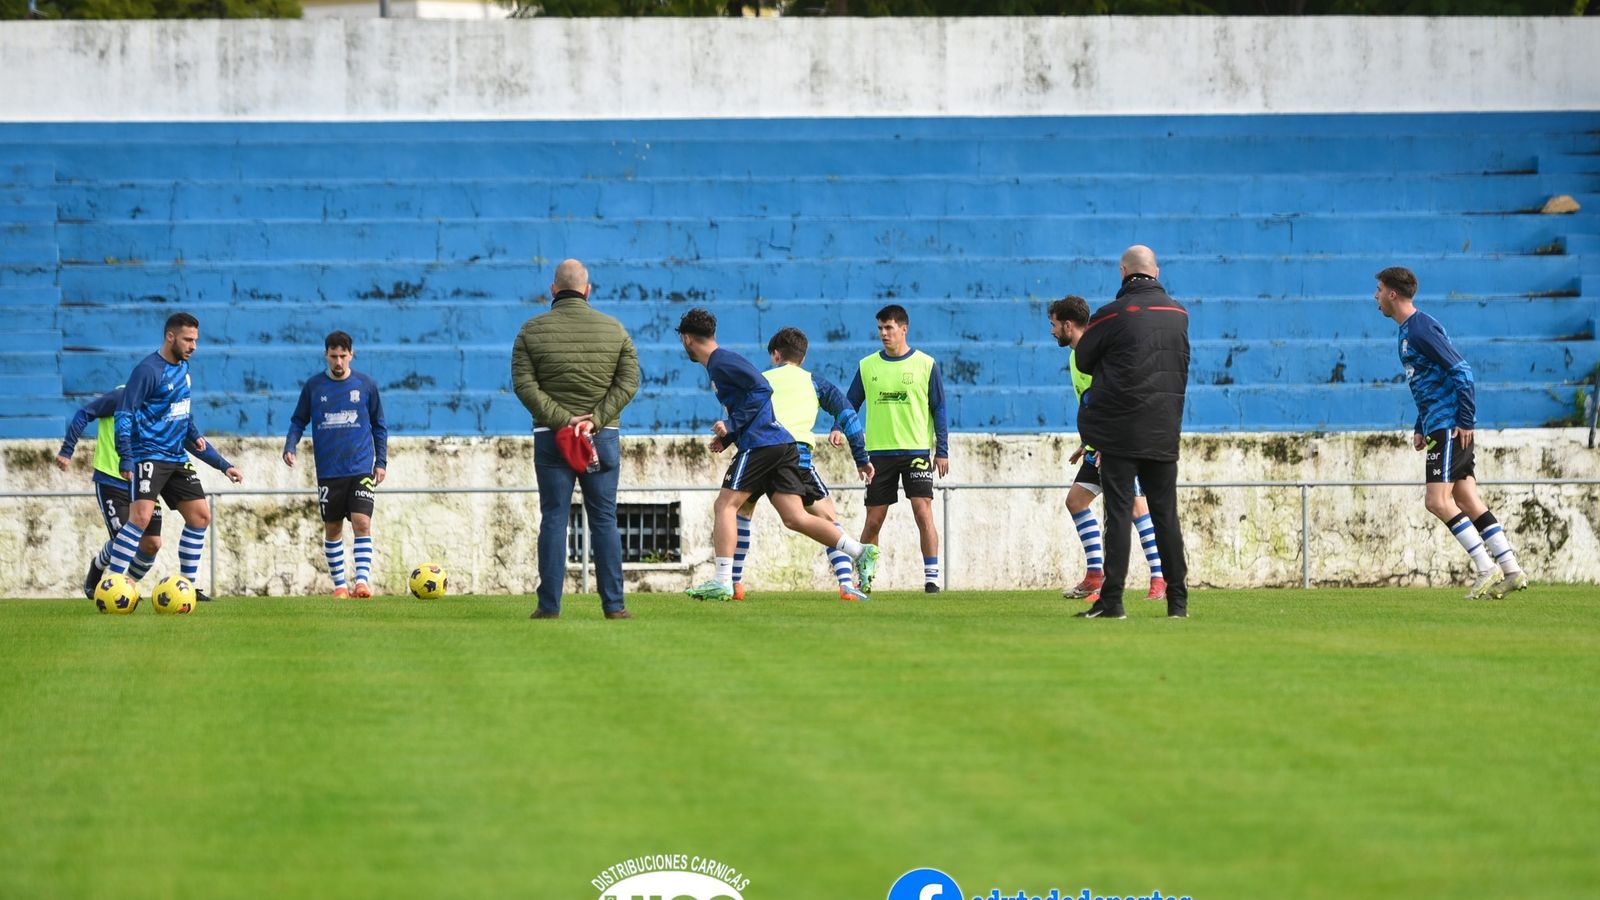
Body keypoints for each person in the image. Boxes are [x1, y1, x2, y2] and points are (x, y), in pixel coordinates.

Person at [676, 308, 879, 602]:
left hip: (763, 444)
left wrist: (732, 425)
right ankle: (861, 552)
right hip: (783, 447)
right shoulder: (726, 365)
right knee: (795, 517)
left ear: (686, 338)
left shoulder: (723, 362)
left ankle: (724, 581)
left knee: (726, 507)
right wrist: (729, 436)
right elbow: (755, 400)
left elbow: (761, 390)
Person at [1375, 266, 1528, 599]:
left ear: (1392, 294)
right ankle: (1512, 571)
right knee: (1466, 498)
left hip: (1448, 427)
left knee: (1436, 501)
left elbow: (1461, 370)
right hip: (1437, 424)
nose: (1375, 296)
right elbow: (1428, 382)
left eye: (1378, 290)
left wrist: (1466, 419)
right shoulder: (1406, 331)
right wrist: (1420, 425)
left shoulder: (1420, 328)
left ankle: (1486, 568)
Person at [512, 259, 641, 620]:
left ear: (553, 289)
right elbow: (629, 382)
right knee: (604, 518)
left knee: (554, 517)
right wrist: (595, 420)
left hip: (552, 438)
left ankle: (548, 606)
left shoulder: (530, 331)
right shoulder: (615, 330)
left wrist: (562, 420)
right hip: (601, 437)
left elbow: (525, 386)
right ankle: (614, 606)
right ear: (588, 290)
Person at [1072, 246, 1191, 619]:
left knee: (1119, 514)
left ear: (1123, 272)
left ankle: (1113, 602)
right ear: (1155, 271)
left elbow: (1083, 359)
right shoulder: (1179, 314)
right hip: (1163, 430)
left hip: (1120, 432)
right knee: (1165, 516)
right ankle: (1178, 604)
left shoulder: (1110, 315)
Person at [728, 326, 875, 602]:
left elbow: (738, 415)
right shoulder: (814, 382)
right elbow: (849, 416)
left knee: (739, 512)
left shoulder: (760, 381)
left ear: (775, 354)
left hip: (759, 452)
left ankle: (735, 583)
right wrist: (861, 458)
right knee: (828, 518)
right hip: (797, 458)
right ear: (803, 358)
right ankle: (846, 584)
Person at [60, 385, 242, 599]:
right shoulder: (122, 396)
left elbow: (190, 440)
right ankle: (101, 570)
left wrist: (223, 465)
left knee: (151, 544)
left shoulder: (167, 407)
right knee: (125, 538)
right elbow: (84, 413)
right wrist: (67, 450)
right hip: (113, 480)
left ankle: (128, 587)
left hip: (145, 479)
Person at [1047, 295, 1166, 605]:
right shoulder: (1077, 357)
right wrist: (1088, 442)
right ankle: (1095, 576)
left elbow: (1119, 396)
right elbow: (1093, 403)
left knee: (1135, 507)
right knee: (1076, 501)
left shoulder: (1098, 352)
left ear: (1068, 325)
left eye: (1054, 325)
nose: (1051, 331)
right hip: (1099, 443)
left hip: (1120, 441)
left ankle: (1159, 577)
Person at [102, 312, 219, 597]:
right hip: (149, 455)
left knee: (201, 516)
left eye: (195, 341)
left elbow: (182, 415)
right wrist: (126, 456)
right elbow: (124, 413)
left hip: (176, 456)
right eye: (188, 340)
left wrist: (211, 452)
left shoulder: (183, 371)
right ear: (170, 337)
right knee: (140, 519)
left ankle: (188, 588)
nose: (193, 346)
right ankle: (113, 585)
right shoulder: (147, 370)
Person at [847, 304, 949, 593]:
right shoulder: (867, 366)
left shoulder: (926, 364)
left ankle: (932, 578)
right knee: (874, 519)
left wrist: (942, 450)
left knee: (922, 511)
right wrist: (836, 428)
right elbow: (850, 404)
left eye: (889, 327)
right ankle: (865, 576)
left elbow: (939, 408)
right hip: (878, 453)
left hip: (916, 451)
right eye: (880, 328)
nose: (883, 333)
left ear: (904, 328)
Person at [283, 331, 389, 599]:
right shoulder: (314, 387)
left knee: (362, 522)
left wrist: (381, 461)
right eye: (334, 356)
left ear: (351, 354)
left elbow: (379, 425)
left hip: (361, 467)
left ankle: (362, 583)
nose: (338, 361)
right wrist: (290, 445)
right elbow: (298, 420)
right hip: (330, 470)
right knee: (333, 528)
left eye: (343, 356)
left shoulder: (366, 385)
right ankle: (340, 586)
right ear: (326, 355)